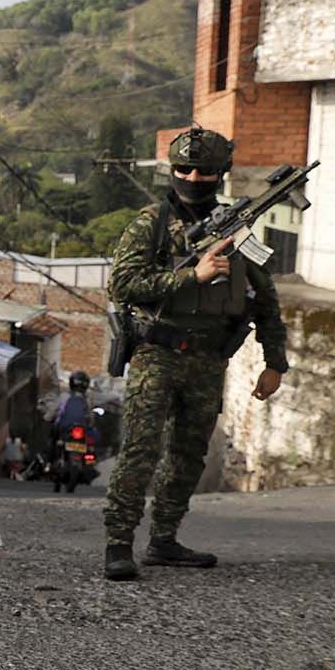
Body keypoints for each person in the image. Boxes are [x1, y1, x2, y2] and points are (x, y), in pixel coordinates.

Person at [101, 128, 289, 582]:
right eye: (184, 168)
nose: (193, 177)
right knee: (140, 451)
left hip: (208, 359)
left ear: (219, 174)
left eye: (204, 170)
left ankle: (164, 539)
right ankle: (118, 543)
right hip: (157, 353)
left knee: (188, 455)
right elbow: (122, 285)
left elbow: (265, 299)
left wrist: (275, 361)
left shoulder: (237, 230)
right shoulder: (151, 223)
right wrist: (193, 277)